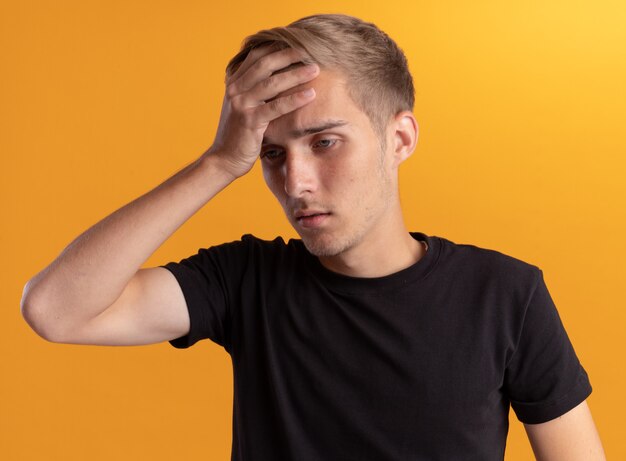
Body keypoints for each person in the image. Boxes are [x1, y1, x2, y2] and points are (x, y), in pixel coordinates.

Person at [21, 13, 605, 461]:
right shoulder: (243, 281)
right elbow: (55, 311)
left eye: (324, 142)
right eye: (272, 154)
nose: (295, 183)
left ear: (399, 139)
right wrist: (221, 162)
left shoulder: (506, 294)